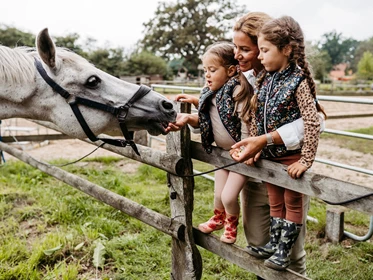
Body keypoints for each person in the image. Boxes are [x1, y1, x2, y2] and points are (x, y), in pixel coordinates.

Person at [166, 11, 324, 277]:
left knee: (293, 256)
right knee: (258, 245)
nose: (236, 55)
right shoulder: (242, 78)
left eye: (245, 49)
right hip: (252, 174)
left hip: (284, 167)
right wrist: (193, 116)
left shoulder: (293, 78)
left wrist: (267, 139)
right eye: (235, 47)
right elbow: (222, 115)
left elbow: (315, 120)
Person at [231, 15, 326, 271]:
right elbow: (254, 115)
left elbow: (313, 121)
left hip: (289, 158)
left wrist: (305, 159)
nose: (258, 57)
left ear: (285, 49)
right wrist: (253, 143)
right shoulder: (263, 78)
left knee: (292, 209)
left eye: (259, 50)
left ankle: (284, 251)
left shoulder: (297, 80)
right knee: (274, 205)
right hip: (268, 162)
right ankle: (275, 245)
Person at [177, 41, 253, 244]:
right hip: (222, 154)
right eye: (205, 71)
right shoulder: (210, 94)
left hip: (239, 154)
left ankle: (231, 227)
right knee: (218, 195)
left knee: (229, 197)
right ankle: (218, 219)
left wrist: (246, 147)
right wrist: (194, 105)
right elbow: (207, 119)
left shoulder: (237, 93)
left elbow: (246, 123)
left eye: (212, 70)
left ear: (230, 70)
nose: (207, 75)